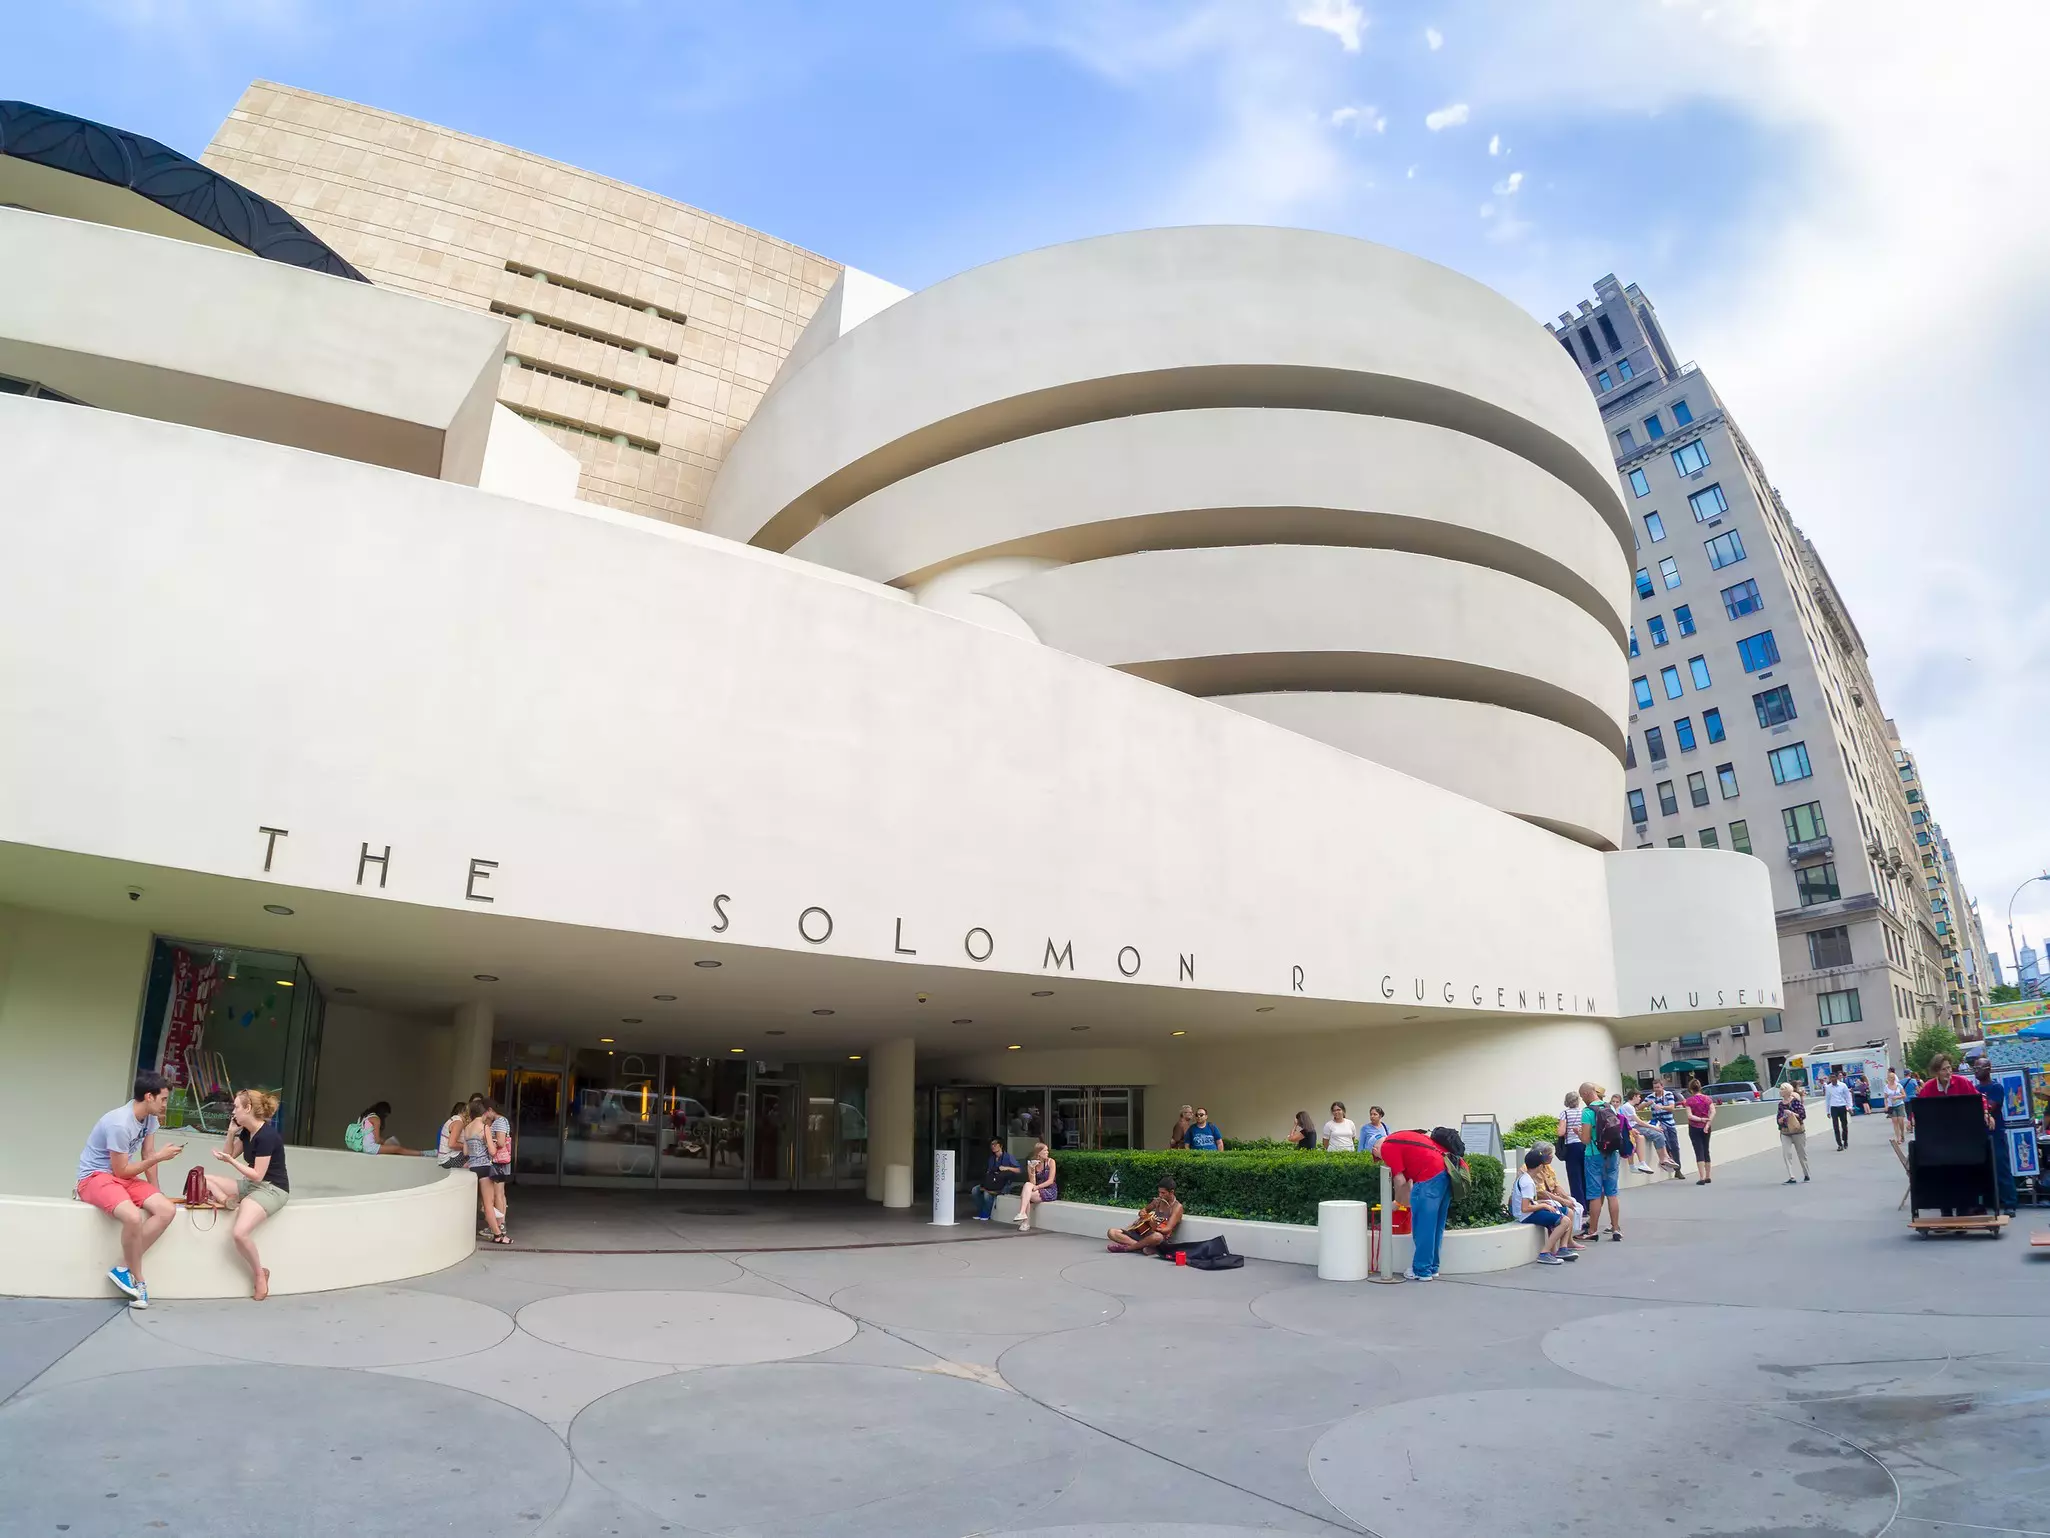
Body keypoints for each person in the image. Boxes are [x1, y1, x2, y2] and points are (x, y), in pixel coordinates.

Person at [75, 1071, 184, 1308]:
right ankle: (140, 1280)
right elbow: (122, 1170)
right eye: (163, 1099)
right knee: (132, 1217)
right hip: (95, 1177)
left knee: (166, 1210)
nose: (166, 1104)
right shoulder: (119, 1123)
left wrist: (156, 1192)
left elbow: (147, 1155)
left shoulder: (150, 1118)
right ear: (149, 1096)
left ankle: (123, 1268)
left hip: (122, 1176)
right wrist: (160, 1158)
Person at [202, 1088, 290, 1300]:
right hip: (251, 1185)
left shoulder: (267, 1136)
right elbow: (229, 1154)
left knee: (239, 1233)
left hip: (271, 1188)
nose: (233, 1111)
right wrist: (231, 1132)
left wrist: (231, 1161)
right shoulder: (247, 1132)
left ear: (248, 1108)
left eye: (236, 1107)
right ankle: (226, 1201)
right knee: (203, 1179)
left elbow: (258, 1174)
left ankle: (260, 1274)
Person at [1378, 1126, 1451, 1281]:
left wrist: (1397, 1203)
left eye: (1377, 1156)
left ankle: (1421, 1270)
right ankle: (1432, 1267)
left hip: (1428, 1177)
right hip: (1447, 1171)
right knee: (1436, 1225)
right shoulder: (1403, 1137)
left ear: (1375, 1147)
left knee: (1423, 1226)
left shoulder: (1386, 1146)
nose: (1382, 1160)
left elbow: (1399, 1180)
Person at [1509, 1149, 1577, 1264]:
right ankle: (1544, 1253)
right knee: (1564, 1221)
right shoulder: (1527, 1183)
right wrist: (1544, 1205)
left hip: (1530, 1211)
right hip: (1526, 1215)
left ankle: (1562, 1249)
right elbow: (1525, 1208)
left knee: (1568, 1212)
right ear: (1539, 1166)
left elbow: (1529, 1202)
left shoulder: (1526, 1178)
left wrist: (1541, 1204)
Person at [1578, 1081, 1624, 1240]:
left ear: (1585, 1094)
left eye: (1582, 1096)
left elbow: (1585, 1139)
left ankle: (1592, 1231)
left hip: (1594, 1155)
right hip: (1612, 1153)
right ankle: (1616, 1229)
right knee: (1612, 1193)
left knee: (1595, 1194)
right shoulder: (1609, 1107)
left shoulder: (1587, 1112)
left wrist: (1579, 1133)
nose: (1582, 1099)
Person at [1972, 1058, 2017, 1215]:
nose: (1976, 1070)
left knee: (2001, 1167)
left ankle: (2010, 1203)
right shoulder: (1975, 1089)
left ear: (1989, 1069)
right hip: (1980, 1134)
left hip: (1995, 1133)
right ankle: (1983, 1203)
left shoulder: (1996, 1087)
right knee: (1981, 1168)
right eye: (1974, 1068)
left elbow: (1991, 1106)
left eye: (1979, 1067)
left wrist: (1977, 1107)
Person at [461, 1095, 507, 1244]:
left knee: (475, 1203)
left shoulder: (466, 1128)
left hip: (473, 1167)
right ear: (483, 1112)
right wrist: (489, 1144)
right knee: (488, 1204)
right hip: (485, 1168)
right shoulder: (485, 1127)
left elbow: (466, 1152)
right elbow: (493, 1152)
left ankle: (494, 1232)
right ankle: (498, 1234)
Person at [1529, 1143, 1586, 1248]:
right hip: (1542, 1200)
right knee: (1566, 1212)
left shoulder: (1547, 1167)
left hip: (1550, 1197)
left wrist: (1566, 1198)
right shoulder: (1533, 1168)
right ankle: (1558, 1246)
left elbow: (1556, 1185)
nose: (1552, 1157)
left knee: (1574, 1204)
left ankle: (1567, 1242)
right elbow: (1540, 1193)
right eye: (1550, 1155)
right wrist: (1562, 1200)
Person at [1107, 1178, 1183, 1253]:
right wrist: (1142, 1214)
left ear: (1171, 1192)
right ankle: (1142, 1247)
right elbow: (1144, 1210)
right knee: (1112, 1232)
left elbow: (1167, 1230)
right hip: (1144, 1233)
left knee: (1157, 1237)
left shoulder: (1177, 1207)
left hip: (1156, 1237)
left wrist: (1155, 1227)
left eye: (1163, 1193)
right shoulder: (1157, 1201)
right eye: (1159, 1192)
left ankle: (1128, 1248)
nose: (1160, 1195)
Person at [484, 1095, 513, 1236]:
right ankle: (500, 1224)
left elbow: (501, 1142)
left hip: (498, 1162)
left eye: (485, 1112)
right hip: (501, 1162)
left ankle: (499, 1225)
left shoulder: (499, 1121)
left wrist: (488, 1140)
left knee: (497, 1194)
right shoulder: (502, 1120)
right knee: (500, 1194)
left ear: (490, 1110)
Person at [971, 1138, 1021, 1220]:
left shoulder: (1008, 1157)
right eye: (991, 1145)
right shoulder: (991, 1159)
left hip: (1004, 1183)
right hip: (992, 1182)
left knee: (987, 1194)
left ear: (1000, 1145)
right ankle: (981, 1211)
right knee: (975, 1190)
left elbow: (1018, 1170)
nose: (993, 1146)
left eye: (995, 1144)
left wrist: (1006, 1168)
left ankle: (986, 1213)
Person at [1556, 1091, 1589, 1212]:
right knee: (1585, 1175)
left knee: (1575, 1178)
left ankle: (1581, 1207)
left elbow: (1561, 1132)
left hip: (1571, 1147)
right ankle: (1590, 1204)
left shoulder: (1564, 1113)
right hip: (1584, 1145)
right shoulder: (1583, 1112)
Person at [352, 1101, 421, 1156]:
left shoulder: (364, 1117)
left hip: (363, 1147)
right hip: (370, 1148)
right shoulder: (376, 1119)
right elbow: (377, 1141)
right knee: (398, 1149)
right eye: (385, 1115)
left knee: (395, 1148)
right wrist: (386, 1142)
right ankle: (425, 1153)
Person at [1016, 1142, 1058, 1231]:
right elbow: (1033, 1183)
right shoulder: (1032, 1164)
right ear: (1039, 1152)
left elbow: (1050, 1181)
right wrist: (1032, 1170)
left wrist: (1038, 1187)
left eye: (1047, 1150)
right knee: (1027, 1185)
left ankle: (1025, 1221)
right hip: (1036, 1189)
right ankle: (1022, 1213)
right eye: (1045, 1151)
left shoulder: (1051, 1162)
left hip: (1049, 1190)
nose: (1047, 1152)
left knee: (1026, 1195)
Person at [1646, 1078, 1683, 1175]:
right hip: (1658, 1123)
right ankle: (1667, 1162)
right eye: (1655, 1087)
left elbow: (1671, 1108)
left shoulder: (1668, 1095)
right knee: (1666, 1144)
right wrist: (1648, 1103)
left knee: (1674, 1145)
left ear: (1662, 1086)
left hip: (1669, 1123)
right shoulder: (1650, 1097)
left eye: (1658, 1087)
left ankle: (1678, 1169)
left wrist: (1661, 1107)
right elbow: (1639, 1107)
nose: (1656, 1089)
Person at [1777, 1081, 1810, 1184]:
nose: (1781, 1092)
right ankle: (1791, 1176)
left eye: (1782, 1089)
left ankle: (1806, 1174)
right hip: (1785, 1132)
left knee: (1801, 1153)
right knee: (1786, 1154)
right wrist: (1782, 1118)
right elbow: (1778, 1118)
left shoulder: (1795, 1102)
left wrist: (1792, 1114)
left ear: (1787, 1091)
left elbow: (1802, 1115)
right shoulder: (1780, 1104)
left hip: (1797, 1131)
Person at [1684, 1076, 1715, 1184]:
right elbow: (1713, 1111)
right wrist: (1707, 1122)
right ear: (1700, 1087)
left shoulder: (1689, 1101)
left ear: (1691, 1089)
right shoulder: (1707, 1099)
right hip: (1706, 1126)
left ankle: (1701, 1177)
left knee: (1699, 1151)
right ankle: (1708, 1176)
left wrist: (1700, 1119)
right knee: (1706, 1149)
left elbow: (1690, 1116)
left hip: (1694, 1127)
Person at [1823, 1069, 1853, 1151]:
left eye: (1833, 1077)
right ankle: (1839, 1144)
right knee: (1836, 1127)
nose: (1832, 1079)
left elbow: (1848, 1096)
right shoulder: (1828, 1088)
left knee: (1844, 1125)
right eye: (1831, 1078)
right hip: (1834, 1108)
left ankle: (1845, 1140)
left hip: (1842, 1106)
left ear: (1837, 1078)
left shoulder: (1843, 1085)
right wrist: (1828, 1111)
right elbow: (1827, 1099)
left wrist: (1849, 1107)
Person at [436, 1102, 469, 1169]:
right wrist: (465, 1146)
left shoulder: (454, 1119)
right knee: (475, 1160)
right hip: (448, 1158)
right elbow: (451, 1144)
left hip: (445, 1158)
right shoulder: (458, 1123)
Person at [1881, 1069, 1908, 1148]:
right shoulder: (1886, 1087)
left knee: (1901, 1121)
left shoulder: (1899, 1085)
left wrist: (1897, 1097)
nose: (1891, 1079)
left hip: (1900, 1104)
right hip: (1891, 1106)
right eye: (1889, 1077)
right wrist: (1886, 1105)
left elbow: (1904, 1095)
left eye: (1892, 1077)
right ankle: (1898, 1138)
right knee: (1895, 1121)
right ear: (1888, 1078)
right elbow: (1885, 1098)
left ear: (1894, 1078)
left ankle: (1902, 1133)